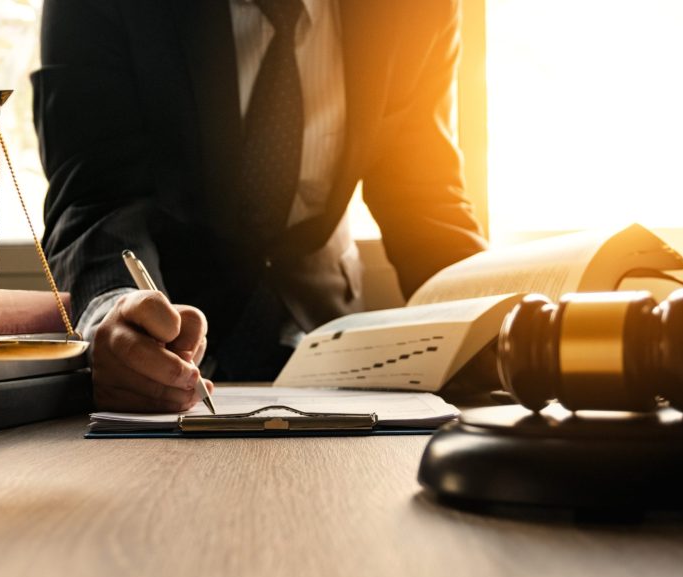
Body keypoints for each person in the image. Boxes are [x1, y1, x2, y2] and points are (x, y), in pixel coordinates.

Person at [32, 0, 487, 412]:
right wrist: (116, 312)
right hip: (174, 350)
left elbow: (424, 201)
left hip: (334, 344)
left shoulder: (418, 9)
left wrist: (496, 321)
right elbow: (96, 196)